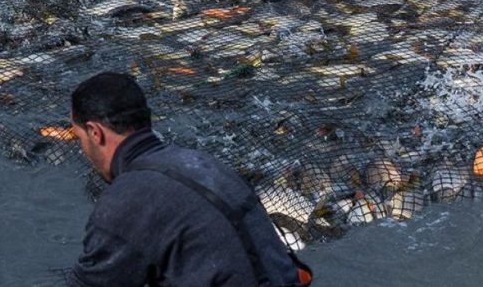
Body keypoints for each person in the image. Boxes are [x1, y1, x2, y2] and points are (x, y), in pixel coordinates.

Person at [66, 72, 312, 287]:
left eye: (79, 138)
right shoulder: (203, 164)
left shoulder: (126, 199)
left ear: (95, 132)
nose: (83, 149)